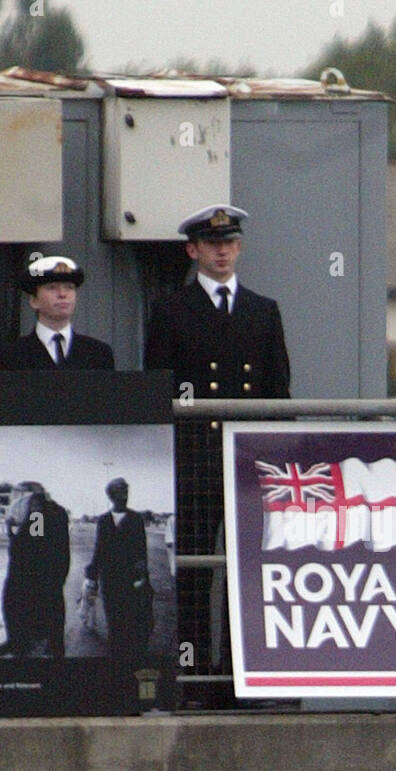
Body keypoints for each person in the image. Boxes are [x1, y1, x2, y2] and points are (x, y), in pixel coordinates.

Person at [144, 204, 290, 697]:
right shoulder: (170, 311)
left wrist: (277, 458)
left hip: (248, 460)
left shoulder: (263, 310)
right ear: (193, 251)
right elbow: (157, 391)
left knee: (247, 568)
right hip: (194, 458)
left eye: (229, 242)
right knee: (193, 569)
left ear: (239, 247)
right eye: (211, 244)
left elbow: (278, 393)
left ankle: (238, 675)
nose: (222, 251)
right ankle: (193, 675)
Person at [0, 255, 115, 370]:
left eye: (69, 288)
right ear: (34, 300)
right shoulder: (9, 355)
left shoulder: (98, 353)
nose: (62, 294)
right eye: (52, 288)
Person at [0, 481, 70, 658]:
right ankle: (23, 642)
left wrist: (12, 533)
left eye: (22, 495)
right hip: (43, 572)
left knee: (29, 609)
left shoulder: (38, 512)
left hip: (37, 573)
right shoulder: (50, 511)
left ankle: (29, 645)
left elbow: (34, 542)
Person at [83, 477, 154, 666]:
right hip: (110, 580)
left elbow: (141, 552)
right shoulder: (104, 521)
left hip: (131, 580)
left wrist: (142, 577)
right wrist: (92, 575)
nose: (124, 496)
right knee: (114, 622)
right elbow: (99, 549)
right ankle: (117, 662)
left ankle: (133, 661)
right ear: (111, 496)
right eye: (120, 492)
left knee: (132, 621)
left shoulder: (136, 519)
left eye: (126, 492)